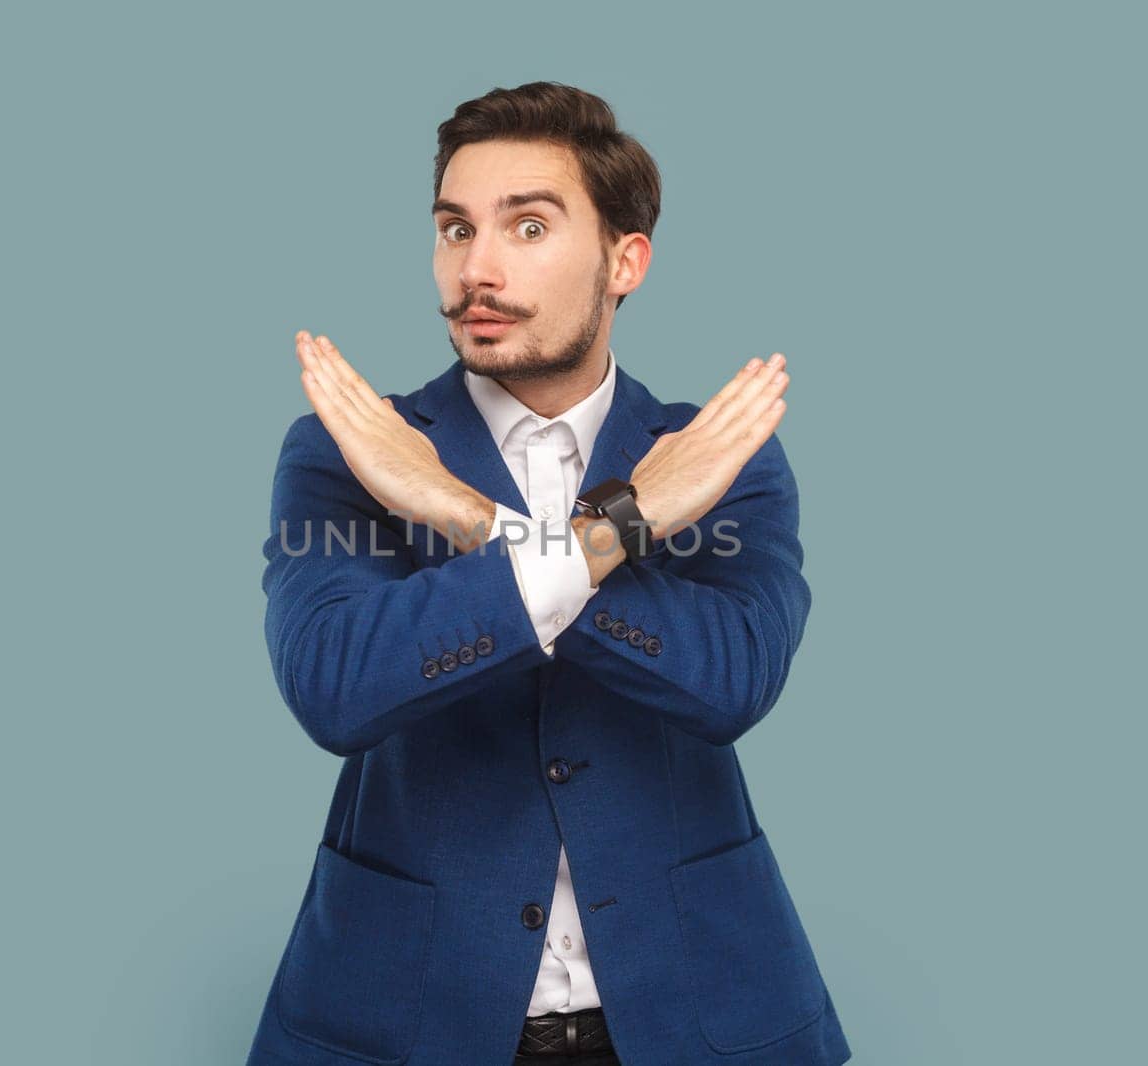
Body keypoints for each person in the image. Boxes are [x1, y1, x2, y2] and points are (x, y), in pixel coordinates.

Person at [246, 81, 851, 1066]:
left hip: (693, 1013)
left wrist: (465, 517)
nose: (475, 268)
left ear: (625, 260)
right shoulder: (353, 451)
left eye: (527, 226)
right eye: (454, 229)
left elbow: (730, 677)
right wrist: (617, 529)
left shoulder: (713, 454)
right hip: (410, 1014)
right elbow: (333, 688)